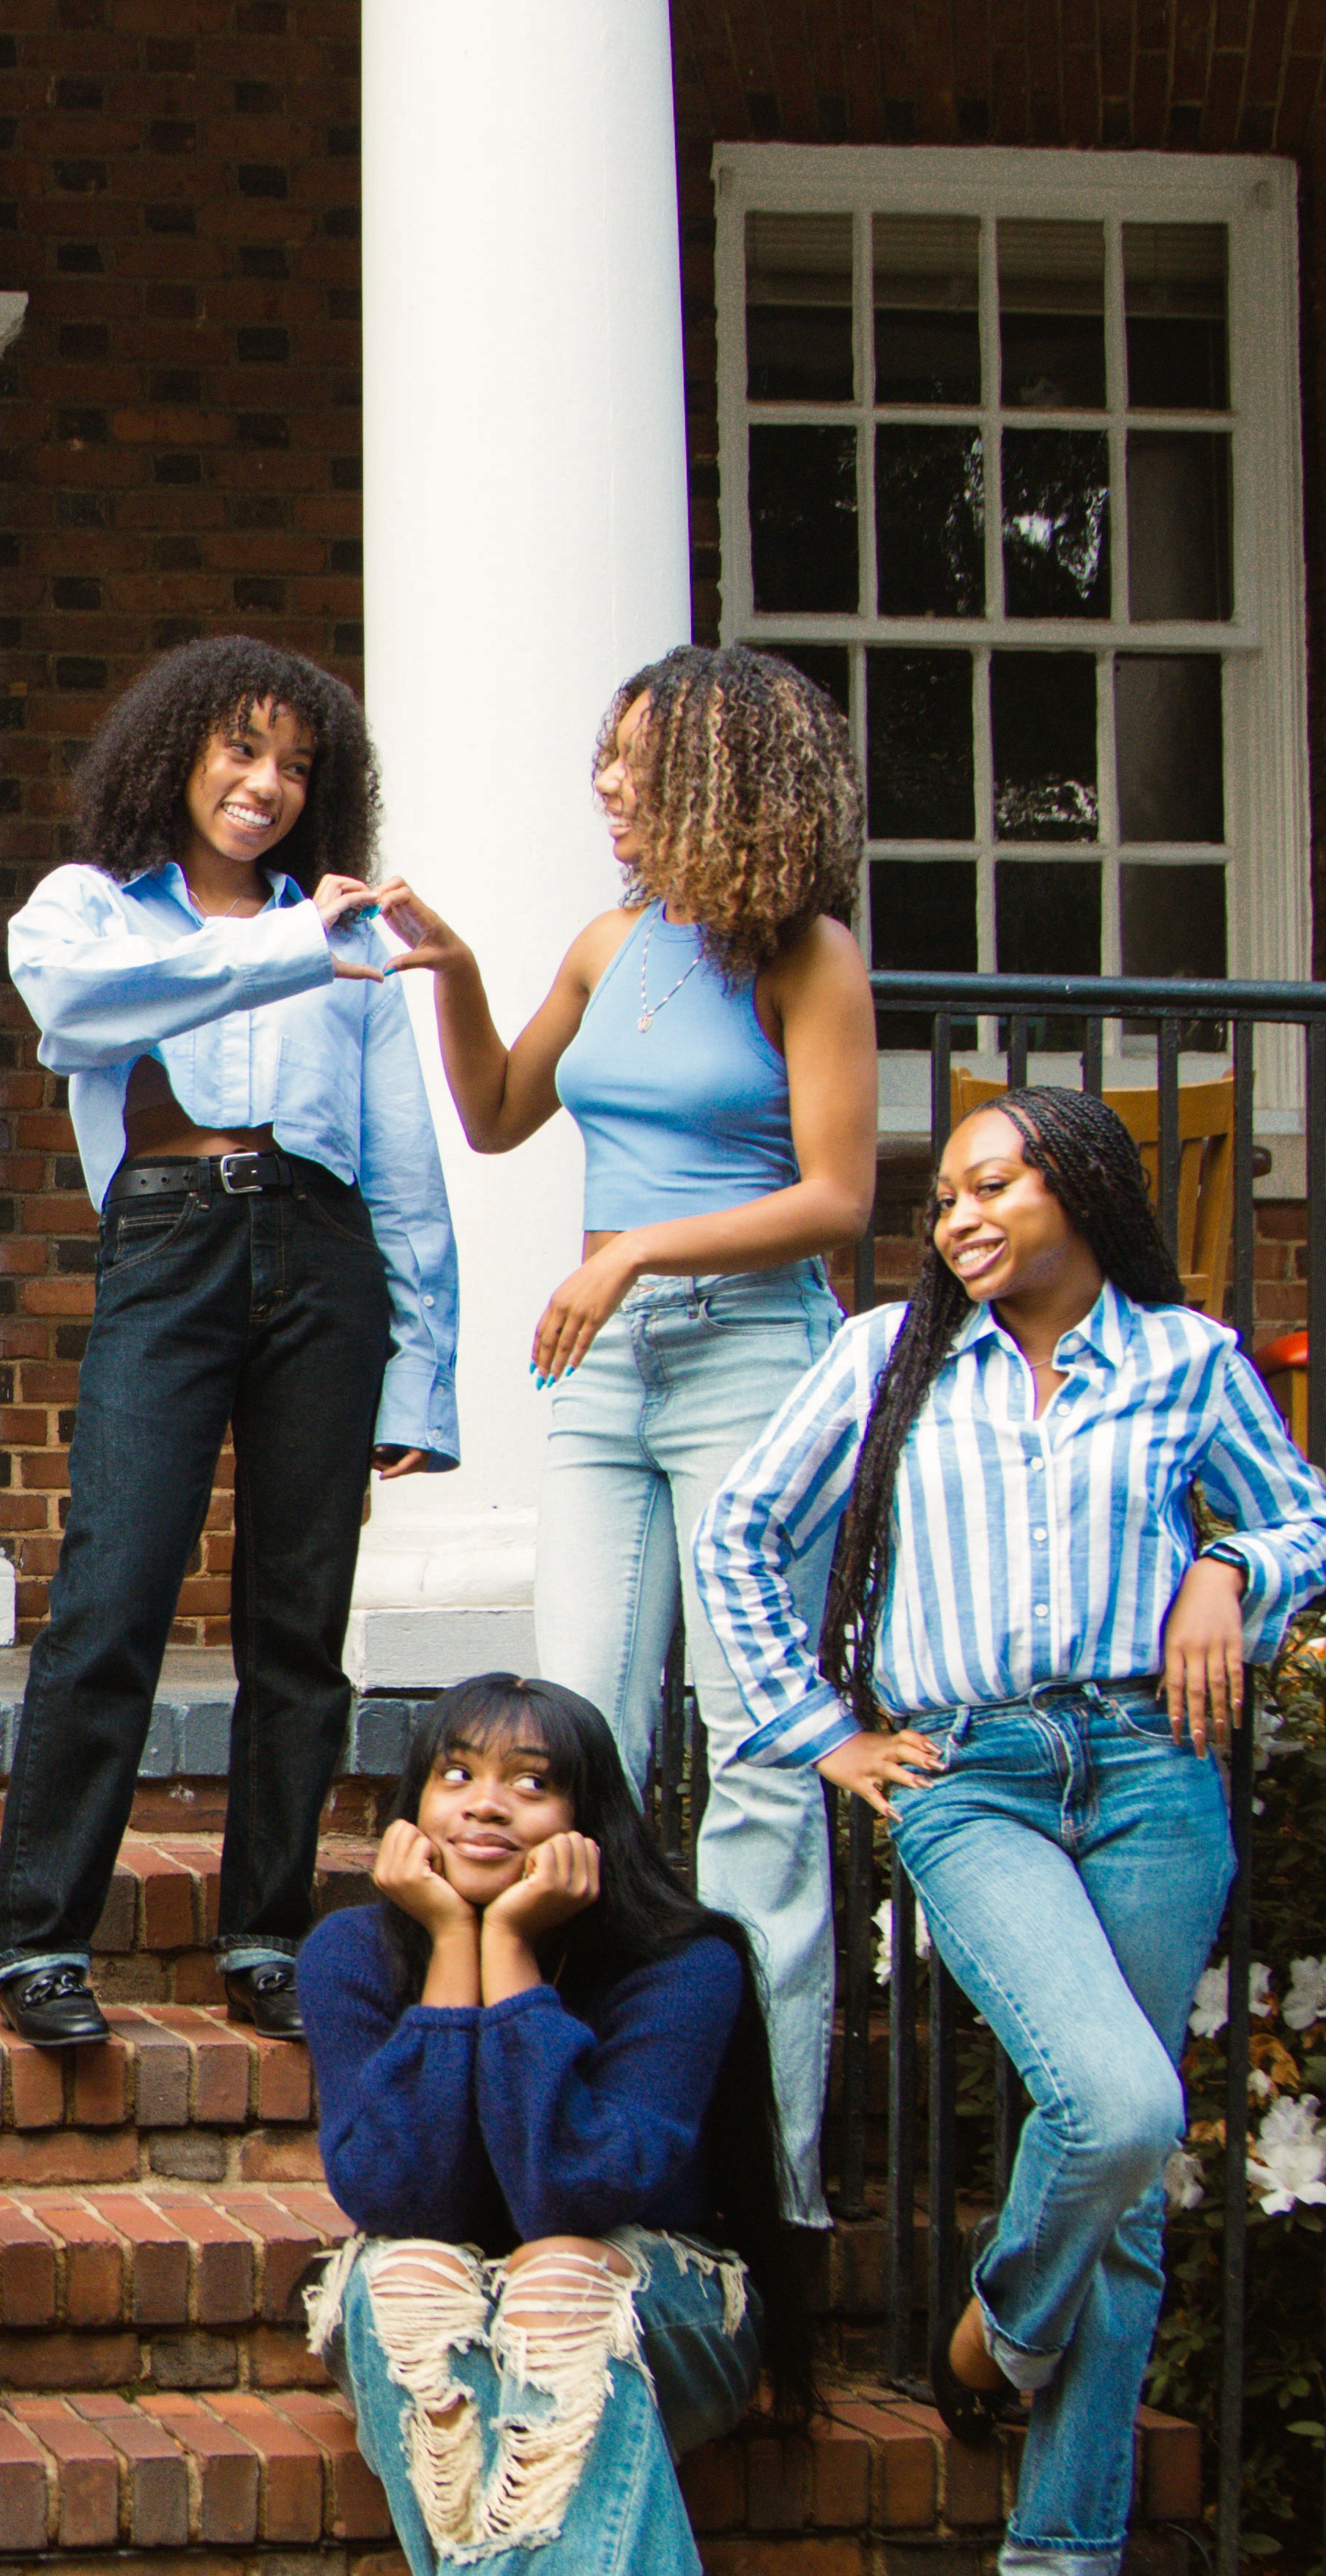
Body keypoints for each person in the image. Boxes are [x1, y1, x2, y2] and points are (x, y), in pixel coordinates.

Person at [699, 1086, 1326, 2576]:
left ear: (1084, 1187)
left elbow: (1310, 1519)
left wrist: (1226, 1567)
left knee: (1108, 2165)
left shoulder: (1184, 1361)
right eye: (949, 1195)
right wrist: (821, 1733)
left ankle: (1062, 2547)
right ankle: (998, 2331)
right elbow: (735, 1533)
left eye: (999, 1182)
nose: (962, 1214)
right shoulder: (884, 1360)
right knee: (1122, 2107)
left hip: (1149, 1769)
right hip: (967, 1775)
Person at [392, 645, 876, 2221]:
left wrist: (631, 1250)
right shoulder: (610, 941)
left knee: (759, 1761)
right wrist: (456, 968)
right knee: (573, 1748)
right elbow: (497, 1112)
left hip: (750, 1364)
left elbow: (839, 1198)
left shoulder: (808, 960)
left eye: (638, 763)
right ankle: (563, 2129)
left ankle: (769, 2173)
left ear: (732, 780)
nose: (607, 788)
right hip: (605, 1378)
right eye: (605, 761)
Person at [0, 635, 459, 2049]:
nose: (265, 784)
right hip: (174, 1234)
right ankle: (39, 1944)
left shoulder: (351, 938)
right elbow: (78, 1017)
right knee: (113, 1593)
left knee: (299, 1620)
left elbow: (404, 1159)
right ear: (179, 751)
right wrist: (297, 940)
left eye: (297, 766)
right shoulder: (91, 911)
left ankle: (266, 1932)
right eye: (240, 751)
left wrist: (425, 1363)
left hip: (324, 1259)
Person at [297, 1675, 815, 2576]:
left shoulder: (684, 1963)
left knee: (558, 2276)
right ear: (414, 1801)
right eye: (460, 1773)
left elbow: (577, 2185)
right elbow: (399, 2196)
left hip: (660, 2309)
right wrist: (449, 1958)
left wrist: (512, 1954)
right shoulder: (352, 1955)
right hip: (452, 2314)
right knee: (413, 2277)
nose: (490, 1808)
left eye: (535, 1783)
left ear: (589, 1819)